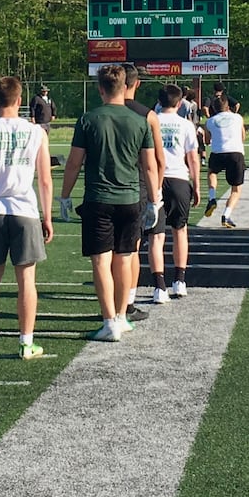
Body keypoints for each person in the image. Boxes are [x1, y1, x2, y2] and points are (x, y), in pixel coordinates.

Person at [60, 64, 160, 343]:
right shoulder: (140, 120)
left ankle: (109, 322)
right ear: (126, 86)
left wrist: (65, 195)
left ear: (100, 89)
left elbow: (74, 163)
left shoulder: (88, 119)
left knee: (101, 262)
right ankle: (120, 316)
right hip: (131, 199)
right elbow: (150, 167)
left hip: (99, 199)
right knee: (125, 259)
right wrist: (154, 201)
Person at [0, 76, 53, 361]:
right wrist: (48, 215)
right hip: (25, 210)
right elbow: (44, 179)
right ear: (19, 101)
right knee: (26, 280)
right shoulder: (37, 132)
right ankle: (26, 342)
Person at [119, 62, 163, 322]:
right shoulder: (147, 115)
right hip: (137, 188)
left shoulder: (97, 114)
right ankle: (127, 302)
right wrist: (156, 196)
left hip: (106, 188)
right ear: (137, 84)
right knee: (131, 250)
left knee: (108, 254)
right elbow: (158, 160)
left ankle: (114, 304)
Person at [149, 84, 201, 303]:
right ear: (179, 103)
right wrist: (196, 185)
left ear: (159, 102)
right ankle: (179, 281)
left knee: (156, 235)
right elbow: (193, 157)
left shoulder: (151, 121)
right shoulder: (186, 125)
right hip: (179, 178)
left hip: (156, 180)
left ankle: (159, 287)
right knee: (180, 231)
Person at [202, 93, 246, 228]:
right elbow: (243, 136)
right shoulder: (238, 118)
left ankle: (212, 197)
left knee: (212, 172)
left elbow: (207, 140)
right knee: (236, 189)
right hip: (235, 153)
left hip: (218, 153)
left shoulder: (209, 121)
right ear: (228, 107)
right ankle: (226, 215)